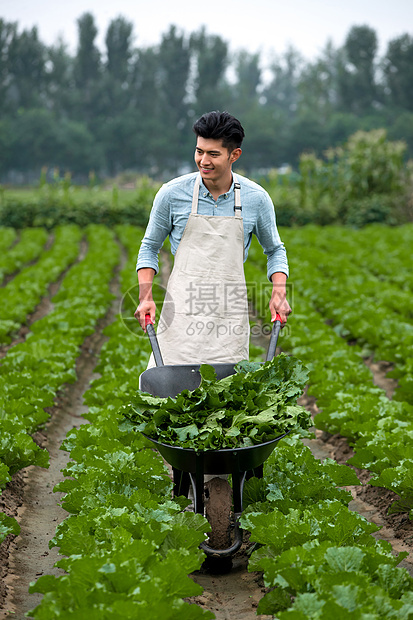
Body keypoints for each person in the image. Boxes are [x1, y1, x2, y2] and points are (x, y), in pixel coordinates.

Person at [135, 110, 291, 366]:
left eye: (213, 154)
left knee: (227, 398)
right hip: (182, 317)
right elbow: (149, 247)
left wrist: (279, 292)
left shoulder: (256, 199)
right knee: (170, 397)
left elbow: (275, 250)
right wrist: (146, 296)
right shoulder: (172, 194)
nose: (203, 161)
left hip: (228, 321)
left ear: (234, 155)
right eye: (199, 151)